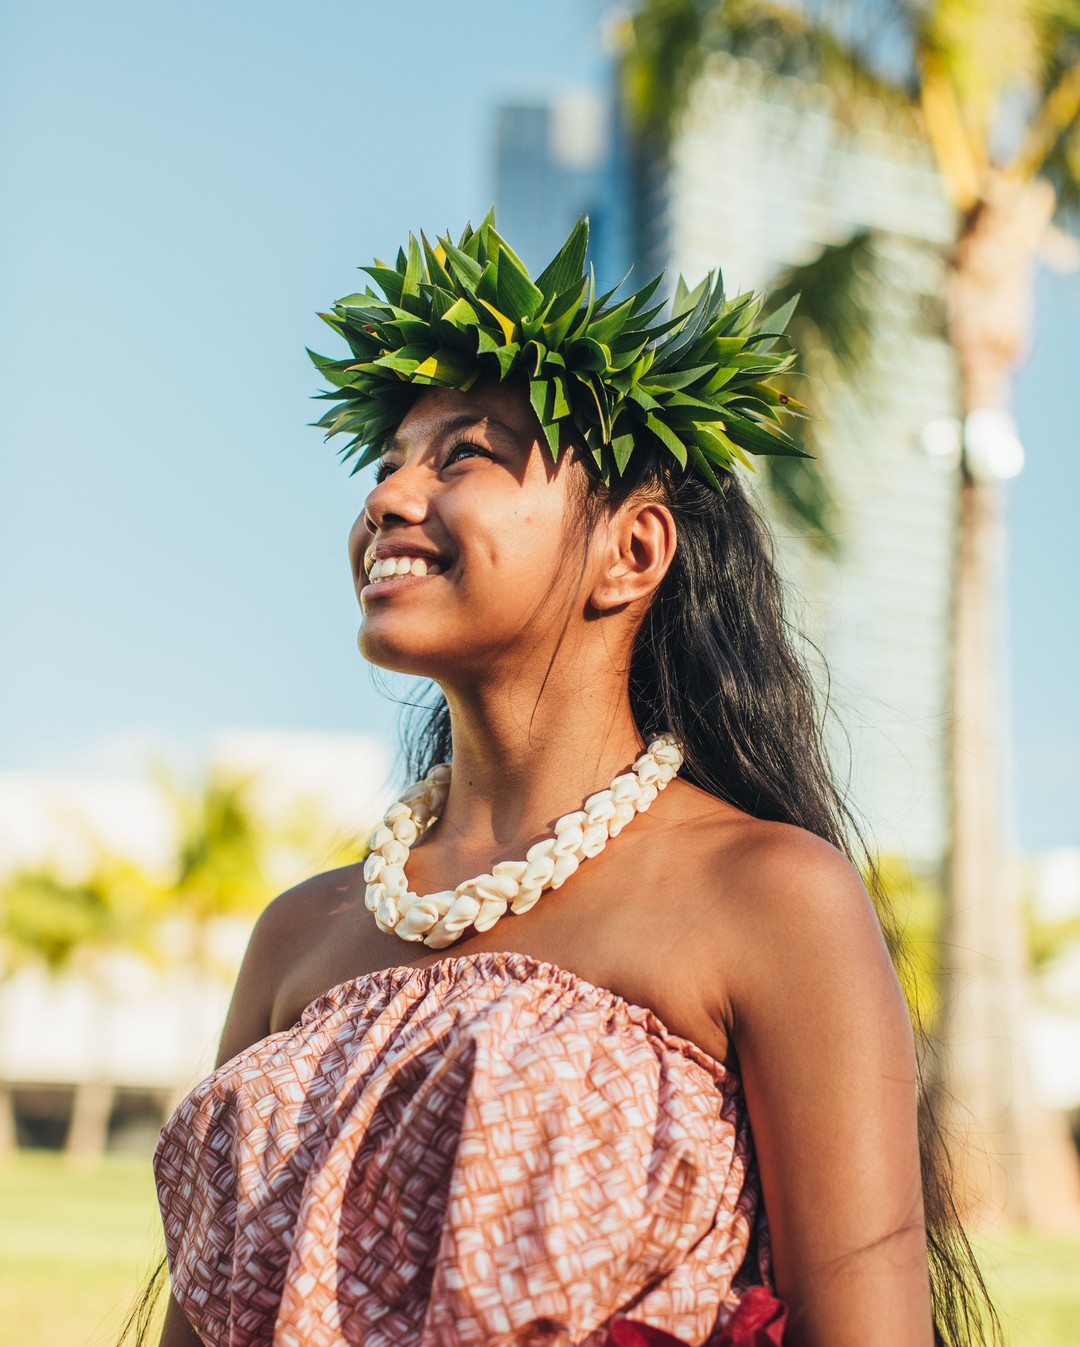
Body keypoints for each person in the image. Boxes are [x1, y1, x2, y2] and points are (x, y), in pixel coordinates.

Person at [146, 215, 996, 1347]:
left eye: (464, 457)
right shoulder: (298, 935)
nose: (390, 498)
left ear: (632, 553)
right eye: (390, 463)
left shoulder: (770, 896)